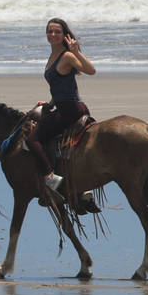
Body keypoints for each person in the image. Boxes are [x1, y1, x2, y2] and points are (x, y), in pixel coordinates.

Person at [27, 17, 96, 191]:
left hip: (70, 110)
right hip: (64, 106)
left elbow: (91, 71)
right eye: (50, 31)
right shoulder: (53, 55)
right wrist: (50, 103)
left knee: (32, 139)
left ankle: (50, 177)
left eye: (57, 31)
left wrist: (77, 52)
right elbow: (60, 86)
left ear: (65, 35)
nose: (53, 34)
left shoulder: (67, 56)